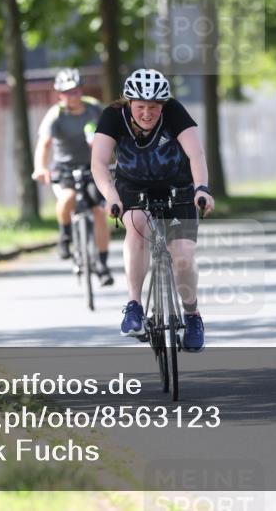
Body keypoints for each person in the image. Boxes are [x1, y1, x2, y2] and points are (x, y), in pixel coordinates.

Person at [91, 68, 214, 352]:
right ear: (129, 103)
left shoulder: (175, 112)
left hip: (178, 187)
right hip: (132, 188)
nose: (147, 113)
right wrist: (111, 196)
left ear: (163, 105)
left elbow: (196, 154)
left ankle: (192, 316)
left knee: (183, 256)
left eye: (154, 107)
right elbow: (98, 163)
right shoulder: (112, 116)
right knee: (136, 226)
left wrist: (202, 188)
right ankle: (134, 305)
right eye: (141, 107)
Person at [32, 68, 112, 285]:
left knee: (99, 210)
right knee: (67, 198)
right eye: (67, 93)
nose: (72, 96)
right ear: (60, 94)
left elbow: (114, 132)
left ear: (81, 91)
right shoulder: (56, 114)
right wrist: (41, 168)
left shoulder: (94, 108)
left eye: (76, 91)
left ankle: (102, 264)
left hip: (92, 167)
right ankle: (65, 236)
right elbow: (44, 144)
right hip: (64, 167)